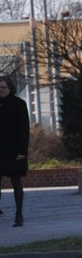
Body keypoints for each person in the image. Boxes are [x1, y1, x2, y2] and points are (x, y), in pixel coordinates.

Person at [0, 75, 29, 227]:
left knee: (16, 181)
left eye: (3, 87)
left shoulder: (19, 104)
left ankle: (19, 215)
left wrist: (22, 151)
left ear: (10, 88)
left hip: (15, 149)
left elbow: (24, 129)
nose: (1, 90)